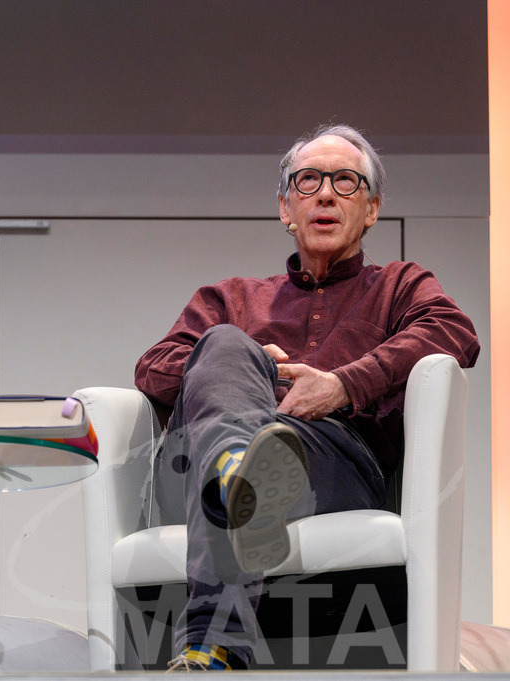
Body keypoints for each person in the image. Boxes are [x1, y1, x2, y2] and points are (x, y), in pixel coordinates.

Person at [134, 124, 479, 671]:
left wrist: (343, 384)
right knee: (224, 344)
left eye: (346, 181)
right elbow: (153, 368)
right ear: (285, 208)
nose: (324, 193)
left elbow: (453, 331)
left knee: (269, 441)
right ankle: (235, 474)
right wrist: (249, 372)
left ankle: (214, 640)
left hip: (327, 462)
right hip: (198, 458)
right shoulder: (230, 299)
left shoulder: (398, 285)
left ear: (371, 210)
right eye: (309, 180)